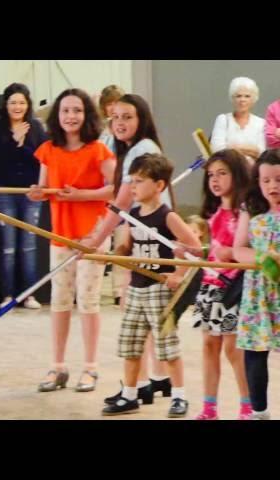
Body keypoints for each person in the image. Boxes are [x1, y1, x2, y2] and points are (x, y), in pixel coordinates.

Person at [27, 88, 116, 393]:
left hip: (93, 235)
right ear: (57, 115)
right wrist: (37, 193)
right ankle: (58, 366)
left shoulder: (99, 151)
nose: (71, 116)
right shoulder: (48, 150)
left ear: (87, 114)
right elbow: (43, 189)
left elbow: (116, 189)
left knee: (88, 301)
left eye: (77, 110)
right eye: (65, 110)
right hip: (60, 234)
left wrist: (83, 195)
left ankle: (91, 368)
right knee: (60, 301)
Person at [86, 93, 174, 399]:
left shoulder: (142, 150)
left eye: (128, 117)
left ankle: (146, 385)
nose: (120, 123)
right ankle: (157, 378)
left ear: (142, 120)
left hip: (155, 242)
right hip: (140, 239)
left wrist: (95, 240)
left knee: (144, 314)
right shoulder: (129, 149)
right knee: (142, 313)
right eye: (116, 117)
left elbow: (122, 203)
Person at [101, 153, 200, 417]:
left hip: (160, 289)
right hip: (137, 288)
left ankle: (179, 396)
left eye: (140, 181)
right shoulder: (131, 216)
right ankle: (130, 395)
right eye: (131, 181)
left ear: (159, 185)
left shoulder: (168, 217)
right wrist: (118, 249)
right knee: (131, 345)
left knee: (168, 347)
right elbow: (125, 250)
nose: (133, 186)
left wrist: (178, 274)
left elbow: (195, 250)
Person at [176, 149, 252, 420]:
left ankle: (247, 407)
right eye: (211, 175)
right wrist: (192, 251)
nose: (215, 180)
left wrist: (230, 254)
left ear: (238, 175)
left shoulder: (247, 212)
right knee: (209, 344)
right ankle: (209, 407)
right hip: (210, 286)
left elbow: (244, 250)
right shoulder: (212, 212)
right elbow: (211, 249)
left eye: (222, 173)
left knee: (234, 349)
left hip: (234, 286)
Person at [0, 83, 48, 309]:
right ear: (5, 105)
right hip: (4, 193)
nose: (17, 106)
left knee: (29, 244)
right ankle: (8, 295)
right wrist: (12, 142)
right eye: (13, 102)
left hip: (30, 193)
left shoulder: (37, 129)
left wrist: (22, 144)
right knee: (8, 246)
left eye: (21, 102)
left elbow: (42, 160)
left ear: (28, 104)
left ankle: (29, 294)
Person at [233, 148, 280, 420]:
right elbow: (239, 250)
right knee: (254, 351)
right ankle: (259, 412)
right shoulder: (251, 208)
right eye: (266, 181)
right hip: (258, 293)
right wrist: (264, 258)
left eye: (278, 179)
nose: (272, 186)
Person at [210, 77, 265, 166]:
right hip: (227, 173)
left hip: (250, 176)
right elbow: (217, 150)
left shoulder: (261, 123)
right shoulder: (223, 119)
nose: (242, 100)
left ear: (253, 99)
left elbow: (261, 154)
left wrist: (231, 147)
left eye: (247, 96)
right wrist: (250, 150)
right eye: (238, 96)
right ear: (232, 98)